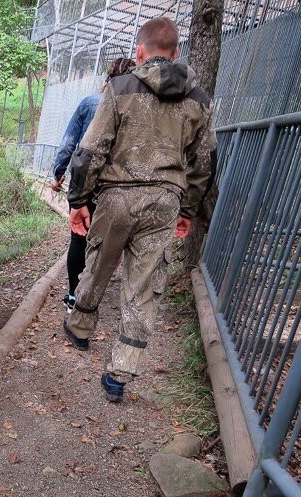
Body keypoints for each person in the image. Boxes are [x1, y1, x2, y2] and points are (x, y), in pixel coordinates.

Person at [62, 17, 216, 403]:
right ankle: (120, 373)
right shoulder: (199, 99)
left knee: (98, 265)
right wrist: (188, 210)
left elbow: (90, 149)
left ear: (140, 51)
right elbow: (205, 161)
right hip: (165, 200)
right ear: (176, 53)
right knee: (143, 286)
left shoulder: (120, 87)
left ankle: (80, 327)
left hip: (116, 196)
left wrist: (79, 201)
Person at [51, 58, 136, 312]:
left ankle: (73, 297)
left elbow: (70, 143)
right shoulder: (138, 107)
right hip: (119, 186)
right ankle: (93, 296)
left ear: (108, 78)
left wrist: (58, 173)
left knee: (79, 238)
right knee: (109, 242)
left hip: (87, 181)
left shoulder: (90, 103)